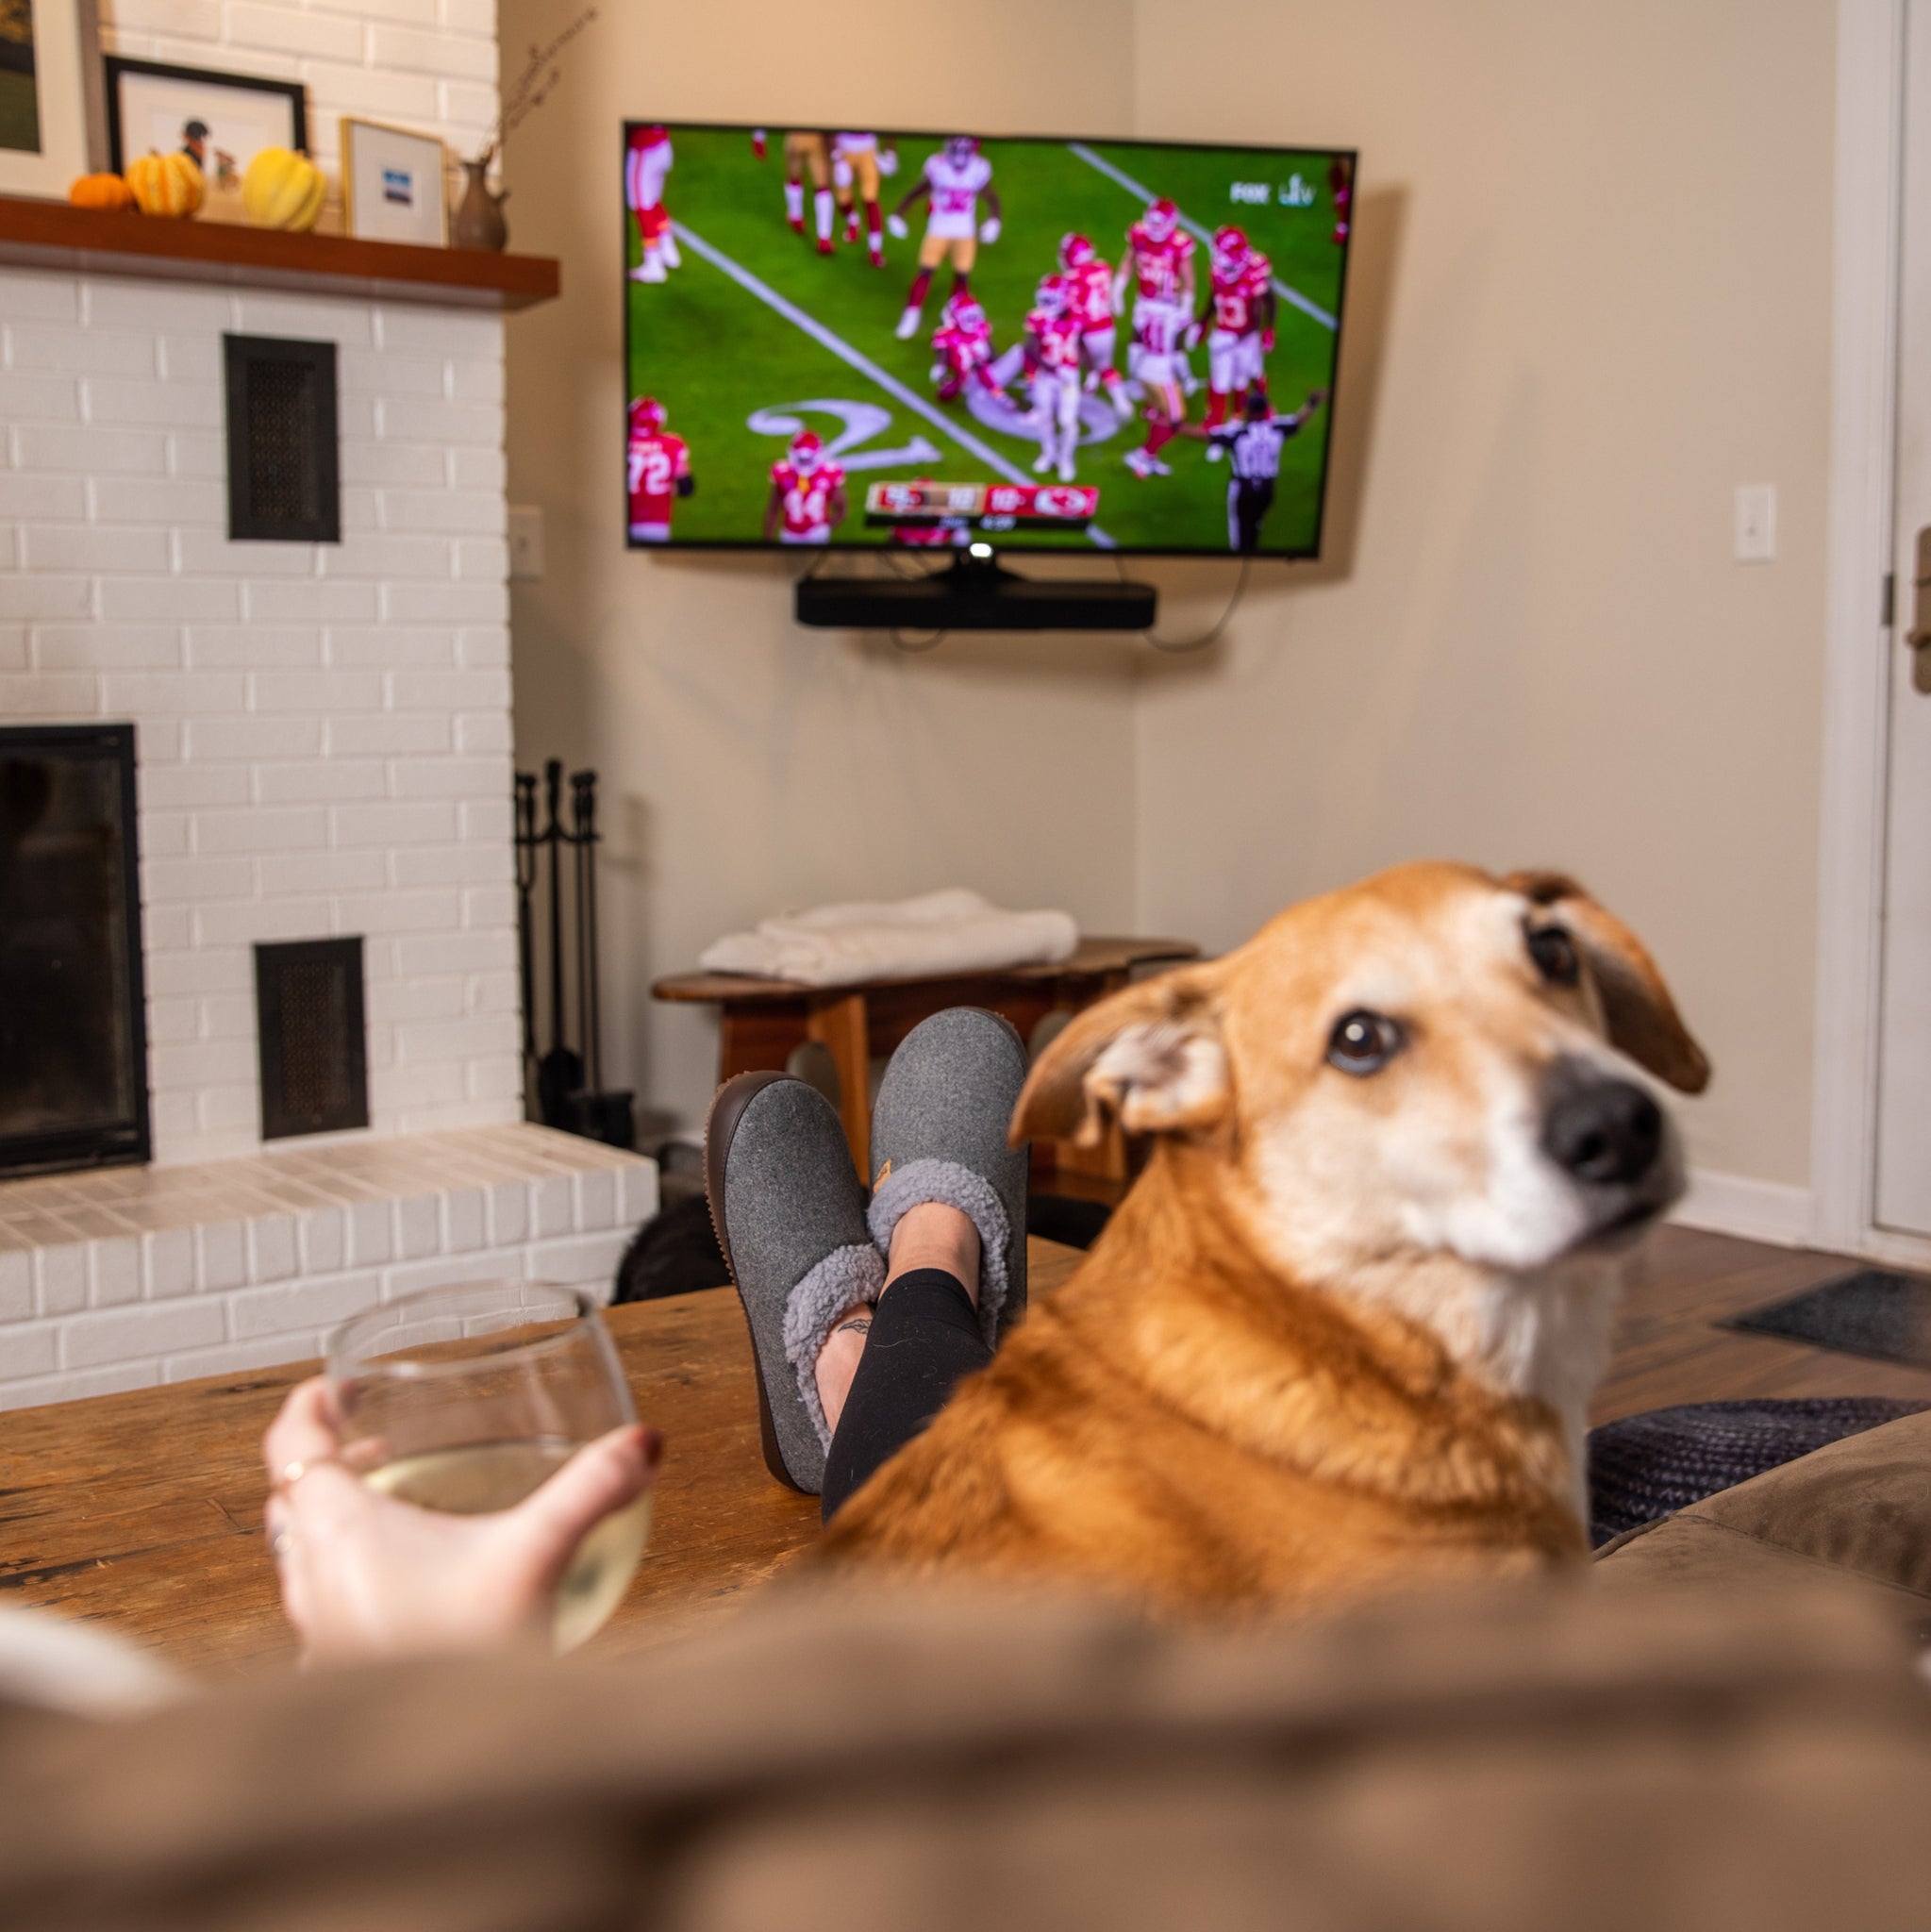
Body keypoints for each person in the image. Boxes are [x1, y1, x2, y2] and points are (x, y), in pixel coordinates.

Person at [888, 136, 1002, 340]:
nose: (959, 156)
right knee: (926, 271)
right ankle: (912, 313)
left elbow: (991, 196)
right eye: (955, 150)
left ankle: (954, 316)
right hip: (939, 228)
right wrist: (899, 213)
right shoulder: (938, 166)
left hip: (964, 230)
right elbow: (919, 190)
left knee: (962, 276)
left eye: (963, 151)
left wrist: (995, 220)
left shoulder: (978, 169)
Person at [1195, 388, 1327, 551]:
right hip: (1267, 489)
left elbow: (1207, 436)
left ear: (1248, 411)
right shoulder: (1277, 429)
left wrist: (1177, 427)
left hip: (1244, 489)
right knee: (1255, 522)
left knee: (1240, 536)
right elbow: (1298, 421)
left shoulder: (1238, 434)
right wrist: (1312, 403)